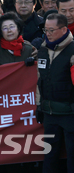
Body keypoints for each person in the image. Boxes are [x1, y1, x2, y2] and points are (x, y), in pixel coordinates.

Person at [34, 12, 74, 172]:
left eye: (52, 30)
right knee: (49, 157)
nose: (48, 34)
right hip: (49, 113)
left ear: (64, 29)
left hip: (70, 113)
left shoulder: (72, 50)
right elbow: (39, 79)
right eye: (46, 30)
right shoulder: (43, 49)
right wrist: (38, 105)